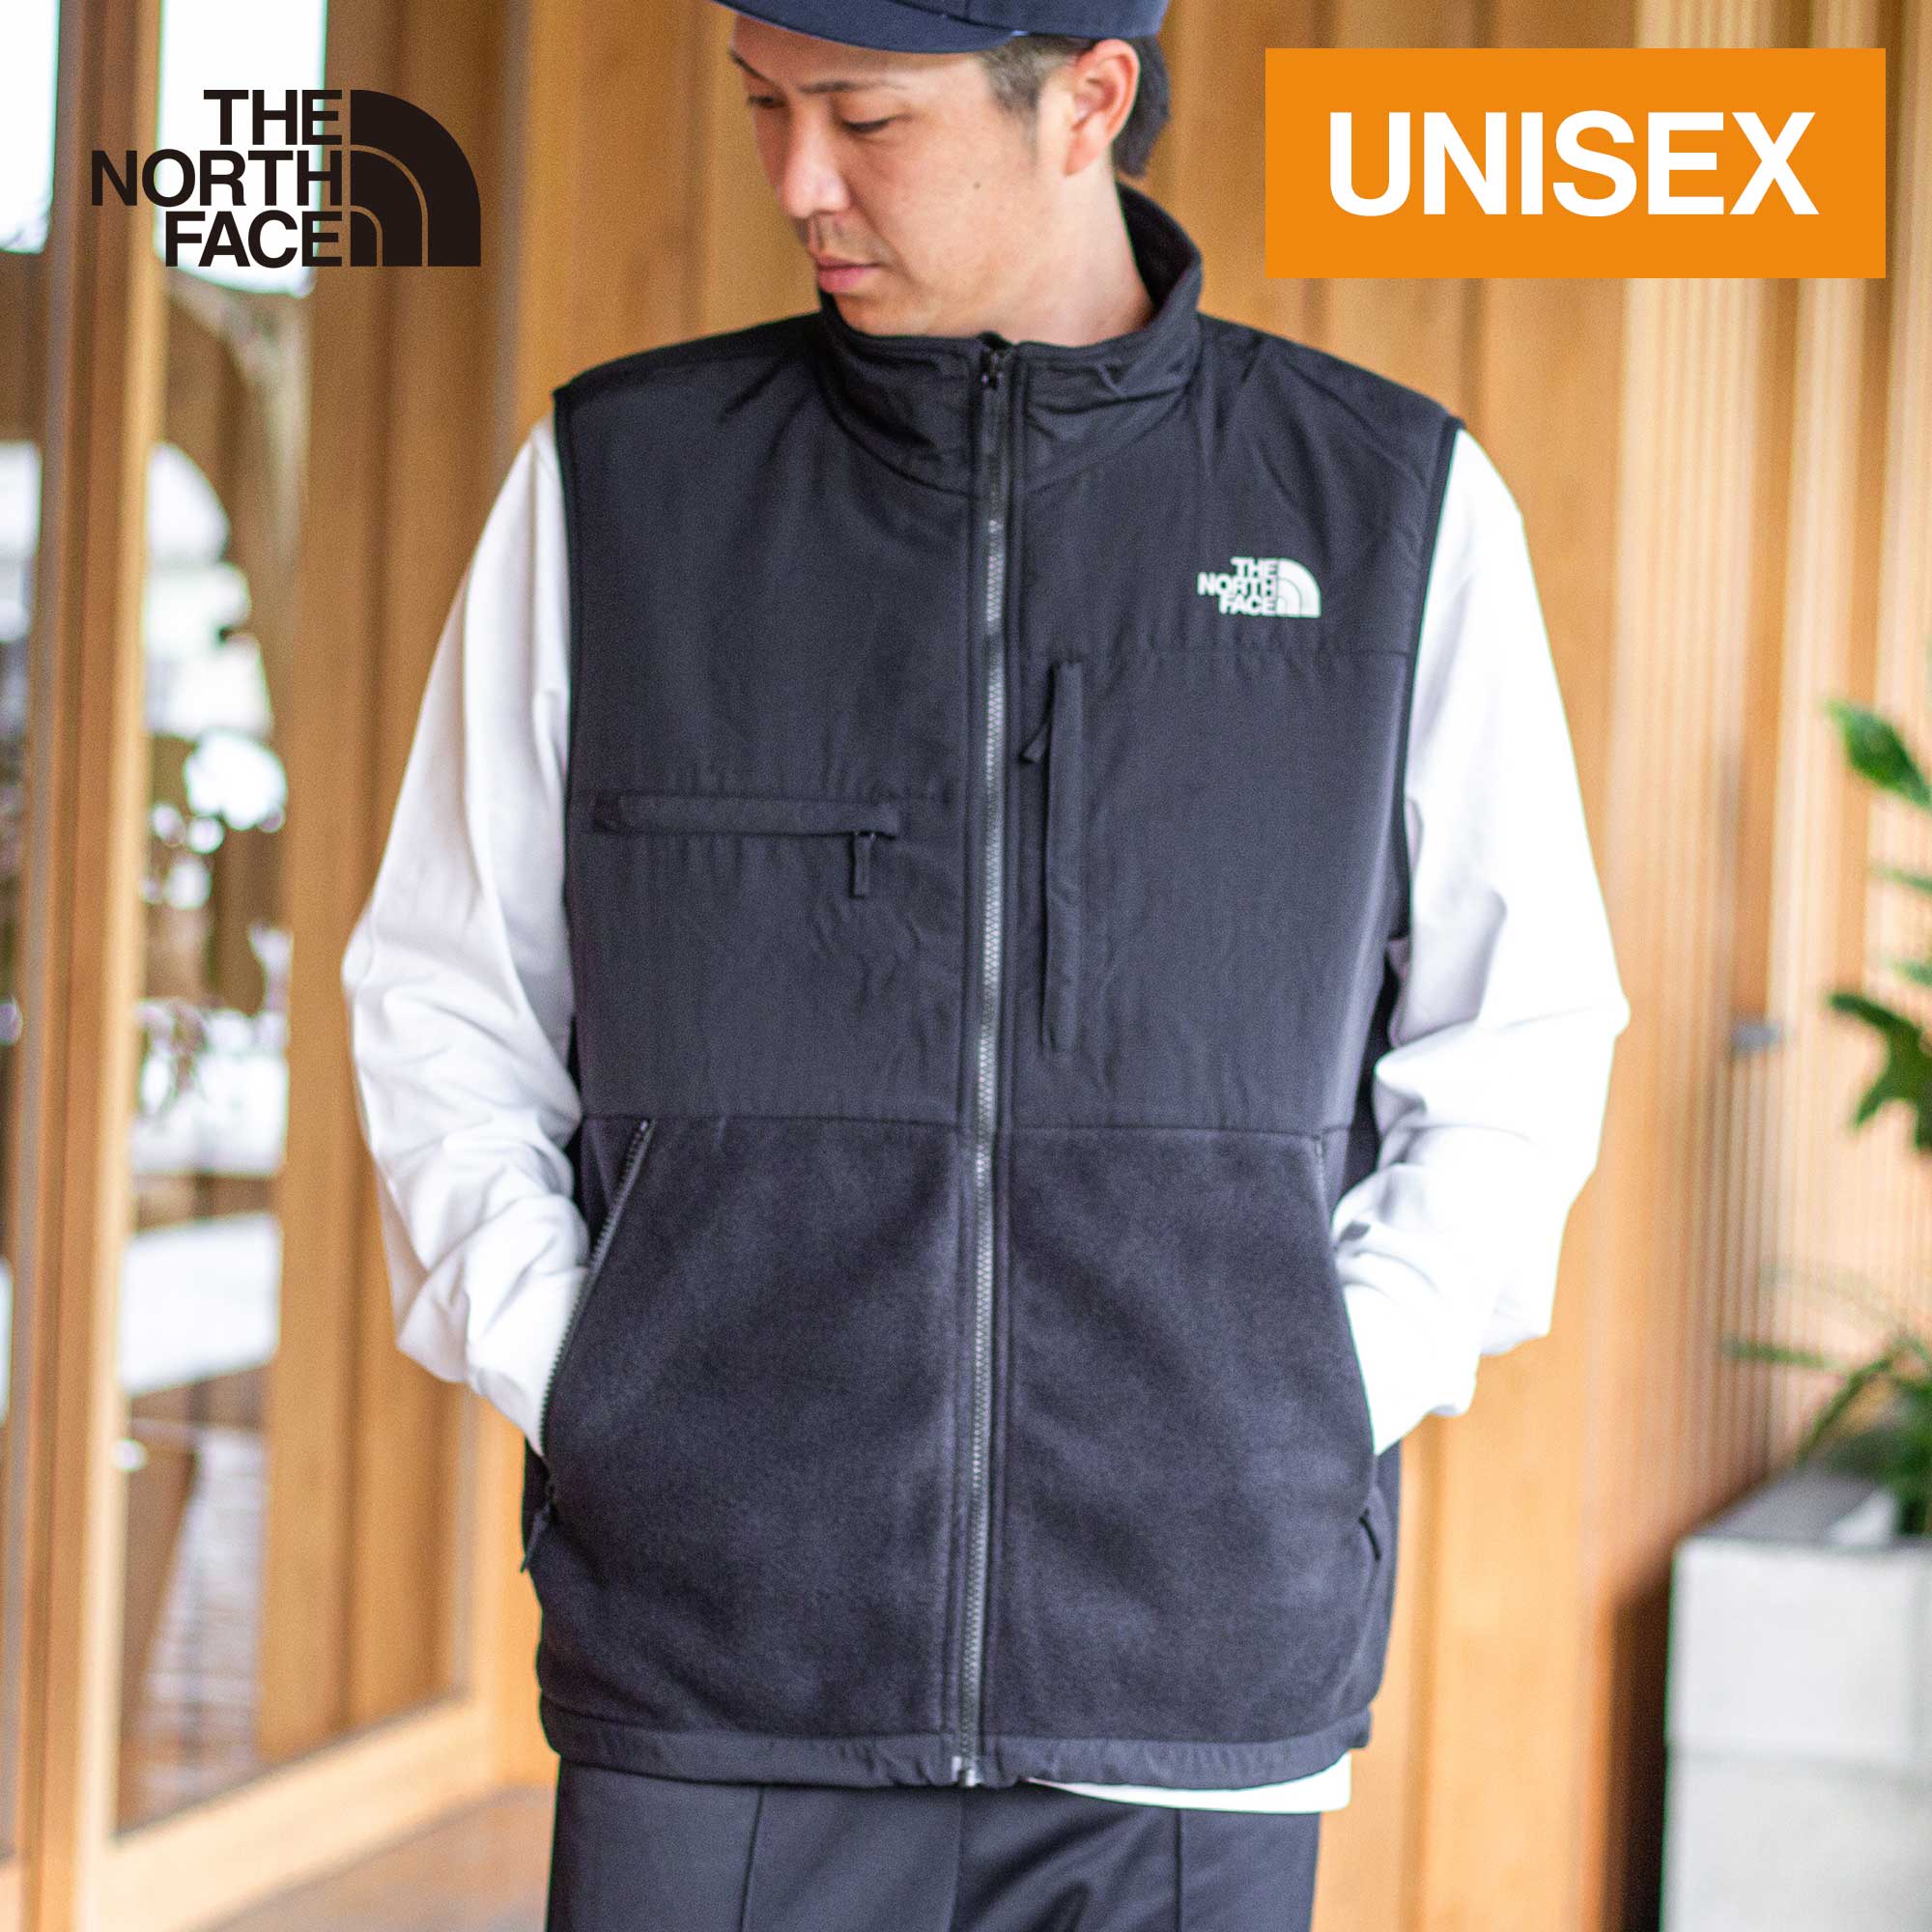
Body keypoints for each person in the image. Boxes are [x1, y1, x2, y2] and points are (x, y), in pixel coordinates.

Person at [340, 0, 1632, 1922]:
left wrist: (1303, 1391)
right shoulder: (623, 482)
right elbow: (446, 994)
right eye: (764, 109)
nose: (797, 180)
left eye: (863, 119)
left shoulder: (1385, 500)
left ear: (1088, 99)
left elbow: (1518, 1034)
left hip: (1187, 1679)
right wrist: (595, 1373)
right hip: (720, 1676)